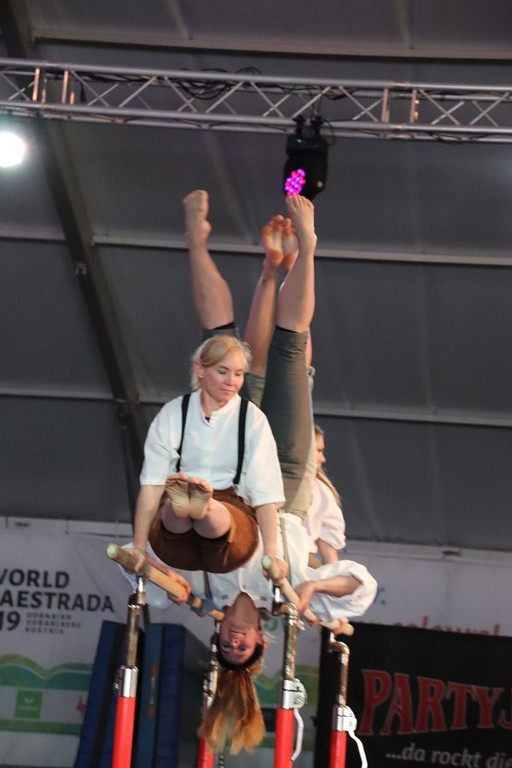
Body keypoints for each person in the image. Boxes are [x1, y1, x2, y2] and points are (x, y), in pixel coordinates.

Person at [120, 191, 377, 755]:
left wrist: (148, 563)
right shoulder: (288, 602)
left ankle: (199, 242)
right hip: (284, 480)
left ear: (218, 634)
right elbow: (362, 585)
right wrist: (312, 585)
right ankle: (307, 249)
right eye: (245, 648)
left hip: (227, 470)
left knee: (225, 347)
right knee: (288, 354)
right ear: (262, 640)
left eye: (226, 646)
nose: (235, 641)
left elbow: (150, 577)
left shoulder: (201, 590)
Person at [304, 424, 347, 566]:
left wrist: (330, 575)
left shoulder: (321, 491)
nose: (323, 459)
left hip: (302, 560)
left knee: (358, 575)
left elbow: (329, 552)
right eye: (318, 451)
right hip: (260, 555)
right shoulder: (269, 480)